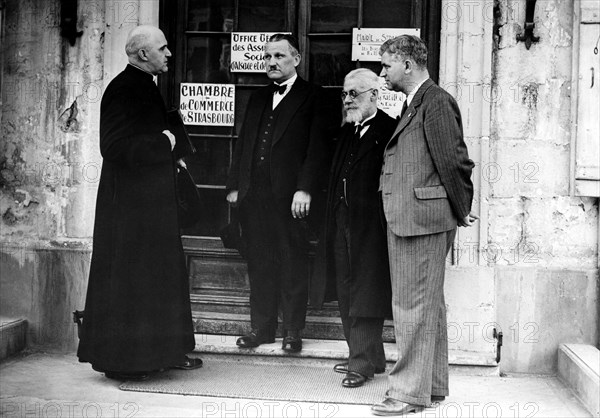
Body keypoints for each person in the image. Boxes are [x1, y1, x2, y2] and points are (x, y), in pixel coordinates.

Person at [77, 25, 202, 380]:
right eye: (163, 48)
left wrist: (170, 148)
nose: (169, 54)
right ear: (143, 54)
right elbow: (113, 147)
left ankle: (164, 353)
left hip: (151, 206)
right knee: (136, 282)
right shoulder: (124, 89)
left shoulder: (144, 85)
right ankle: (130, 361)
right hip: (130, 211)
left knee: (157, 279)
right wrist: (164, 142)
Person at [371, 35, 478, 415]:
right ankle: (430, 386)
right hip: (414, 218)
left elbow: (455, 161)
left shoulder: (435, 101)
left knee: (411, 307)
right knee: (427, 305)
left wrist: (462, 208)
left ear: (407, 65)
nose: (382, 73)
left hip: (420, 221)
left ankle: (405, 393)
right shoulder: (417, 102)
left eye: (386, 65)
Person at [226, 33, 329, 352]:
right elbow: (243, 144)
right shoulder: (257, 98)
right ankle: (262, 328)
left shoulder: (315, 96)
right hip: (254, 197)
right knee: (259, 263)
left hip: (290, 199)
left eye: (279, 56)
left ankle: (292, 332)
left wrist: (305, 189)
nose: (271, 62)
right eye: (267, 57)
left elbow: (319, 148)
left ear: (295, 59)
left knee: (292, 262)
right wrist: (234, 186)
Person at [311, 69, 395, 388]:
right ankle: (370, 356)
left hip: (372, 226)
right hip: (341, 222)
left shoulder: (390, 129)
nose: (347, 100)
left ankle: (360, 363)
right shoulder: (348, 131)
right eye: (345, 94)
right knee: (346, 288)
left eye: (354, 94)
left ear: (374, 95)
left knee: (365, 290)